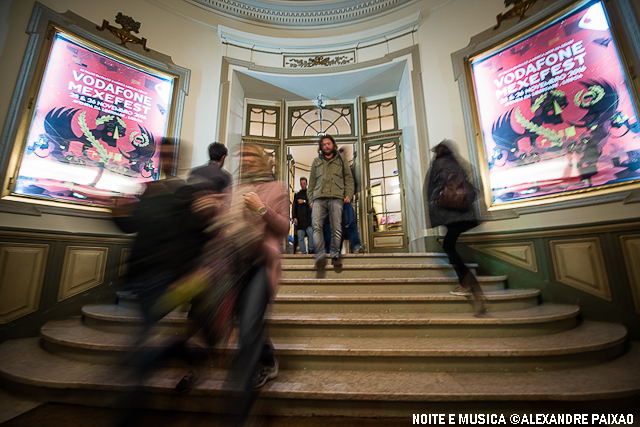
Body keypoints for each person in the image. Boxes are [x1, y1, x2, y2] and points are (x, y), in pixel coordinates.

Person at [424, 139, 485, 315]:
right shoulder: (457, 163)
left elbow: (432, 191)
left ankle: (471, 286)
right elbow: (473, 189)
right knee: (449, 245)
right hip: (465, 215)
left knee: (448, 246)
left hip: (450, 214)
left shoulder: (438, 164)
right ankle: (466, 284)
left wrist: (435, 207)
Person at [308, 135, 354, 268]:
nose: (326, 146)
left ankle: (335, 255)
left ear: (333, 145)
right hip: (318, 198)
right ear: (321, 147)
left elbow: (348, 179)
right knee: (316, 226)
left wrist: (348, 194)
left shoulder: (342, 160)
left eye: (328, 144)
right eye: (324, 144)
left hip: (336, 198)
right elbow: (311, 183)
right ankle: (320, 255)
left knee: (336, 228)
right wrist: (311, 199)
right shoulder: (316, 161)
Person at [338, 147, 365, 254]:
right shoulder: (334, 170)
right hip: (337, 202)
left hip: (347, 202)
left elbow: (355, 184)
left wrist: (349, 195)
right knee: (337, 226)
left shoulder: (350, 170)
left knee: (351, 223)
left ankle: (356, 246)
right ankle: (337, 250)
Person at [292, 177, 314, 254]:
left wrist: (304, 201)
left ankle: (311, 250)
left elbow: (312, 204)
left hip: (308, 219)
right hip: (300, 219)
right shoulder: (297, 195)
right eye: (301, 184)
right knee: (300, 237)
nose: (303, 185)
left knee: (311, 235)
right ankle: (303, 253)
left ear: (306, 184)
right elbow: (294, 207)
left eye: (304, 183)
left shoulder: (310, 194)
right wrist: (294, 217)